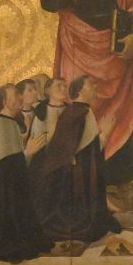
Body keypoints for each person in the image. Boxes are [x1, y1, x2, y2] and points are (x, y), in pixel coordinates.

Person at [40, 0, 133, 184]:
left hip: (119, 56)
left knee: (119, 150)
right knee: (78, 117)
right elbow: (49, 0)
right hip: (77, 46)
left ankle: (109, 183)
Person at [31, 76, 122, 245]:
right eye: (90, 85)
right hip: (73, 176)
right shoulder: (79, 112)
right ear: (80, 90)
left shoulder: (80, 110)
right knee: (84, 223)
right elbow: (81, 150)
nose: (94, 87)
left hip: (77, 171)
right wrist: (106, 133)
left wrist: (102, 135)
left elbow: (87, 149)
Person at [0, 84, 52, 264]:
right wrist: (27, 153)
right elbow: (2, 164)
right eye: (16, 96)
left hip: (7, 185)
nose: (20, 98)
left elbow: (13, 160)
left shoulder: (10, 121)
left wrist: (27, 153)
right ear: (5, 102)